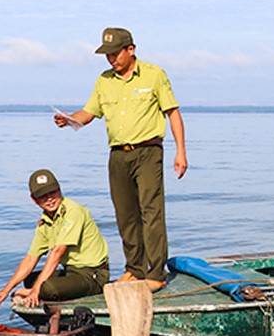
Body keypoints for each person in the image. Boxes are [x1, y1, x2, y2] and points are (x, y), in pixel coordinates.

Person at [53, 27, 187, 291]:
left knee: (151, 212)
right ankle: (134, 269)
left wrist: (180, 151)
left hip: (148, 152)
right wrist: (69, 119)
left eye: (115, 54)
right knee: (125, 215)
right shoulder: (104, 80)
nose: (112, 59)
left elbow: (173, 113)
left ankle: (156, 273)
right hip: (117, 155)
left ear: (130, 50)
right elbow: (89, 113)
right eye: (107, 55)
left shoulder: (154, 74)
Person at [0, 169, 111, 312]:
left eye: (52, 192)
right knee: (30, 279)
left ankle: (38, 292)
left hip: (92, 274)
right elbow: (30, 258)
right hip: (70, 271)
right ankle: (35, 290)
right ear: (34, 200)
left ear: (59, 190)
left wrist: (36, 290)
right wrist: (6, 290)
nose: (50, 199)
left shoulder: (73, 211)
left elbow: (57, 253)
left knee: (47, 288)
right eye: (43, 196)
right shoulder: (45, 221)